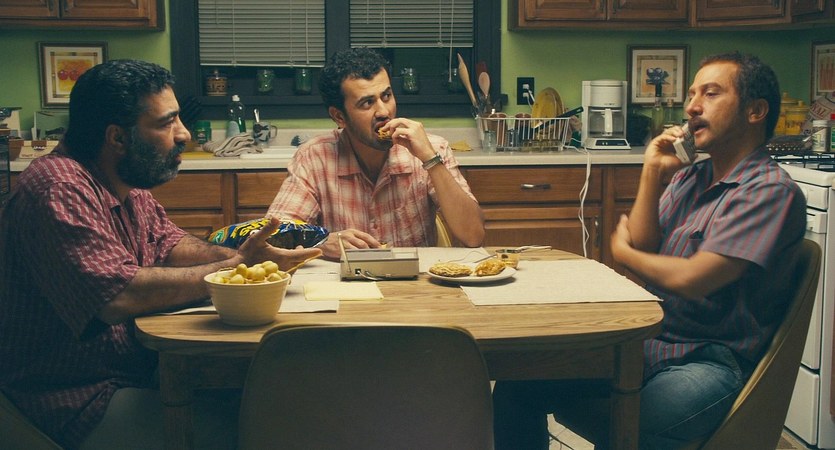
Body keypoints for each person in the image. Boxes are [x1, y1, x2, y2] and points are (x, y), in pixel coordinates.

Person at [0, 59, 321, 449]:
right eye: (167, 123)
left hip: (135, 376)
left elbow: (171, 246)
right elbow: (117, 296)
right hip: (73, 400)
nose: (183, 133)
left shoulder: (125, 184)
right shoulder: (58, 187)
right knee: (267, 431)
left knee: (273, 400)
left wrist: (251, 260)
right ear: (118, 138)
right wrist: (234, 268)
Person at [492, 52, 807, 449]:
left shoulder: (768, 191)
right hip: (651, 344)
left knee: (632, 421)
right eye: (692, 94)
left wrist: (624, 254)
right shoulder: (693, 176)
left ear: (755, 111)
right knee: (518, 385)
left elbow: (692, 280)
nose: (692, 107)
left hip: (711, 360)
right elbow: (647, 245)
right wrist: (652, 170)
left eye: (711, 94)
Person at [267, 47, 485, 260]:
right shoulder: (314, 158)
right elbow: (272, 238)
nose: (383, 111)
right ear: (339, 117)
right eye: (367, 103)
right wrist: (321, 242)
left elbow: (473, 236)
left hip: (414, 280)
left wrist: (430, 159)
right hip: (342, 281)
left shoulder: (432, 149)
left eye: (387, 96)